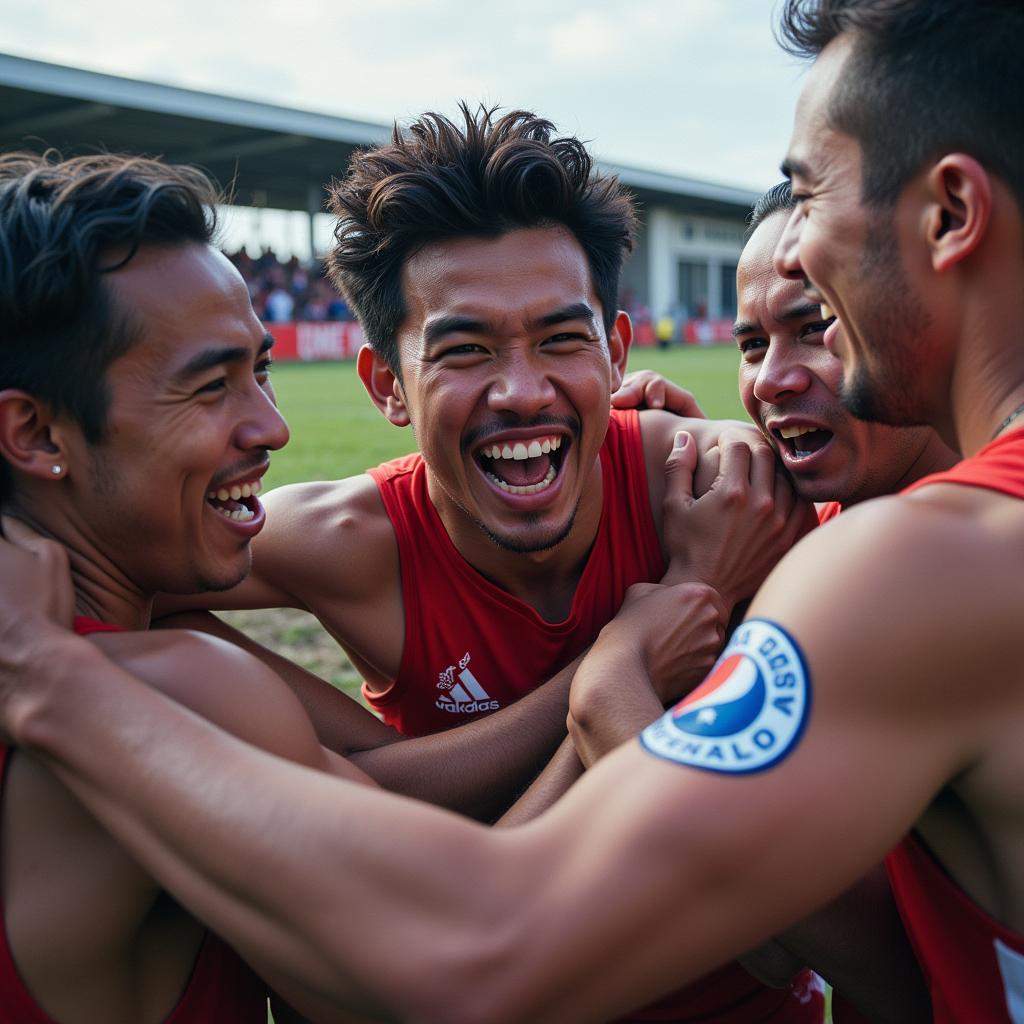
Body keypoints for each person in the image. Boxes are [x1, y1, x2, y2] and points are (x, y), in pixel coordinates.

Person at [4, 1, 1023, 1019]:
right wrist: (623, 659)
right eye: (464, 348)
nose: (791, 243)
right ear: (385, 384)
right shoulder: (269, 600)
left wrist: (54, 676)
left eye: (805, 196)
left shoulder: (762, 503)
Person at [157, 104, 821, 1021]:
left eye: (561, 340)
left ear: (615, 350)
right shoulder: (353, 540)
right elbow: (100, 571)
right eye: (465, 349)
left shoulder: (720, 492)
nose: (522, 391)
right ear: (388, 384)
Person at [0, 151, 389, 1021]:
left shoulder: (140, 651)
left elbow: (379, 782)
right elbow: (477, 948)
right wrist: (617, 673)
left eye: (263, 369)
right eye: (212, 386)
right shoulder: (169, 685)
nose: (273, 427)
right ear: (34, 432)